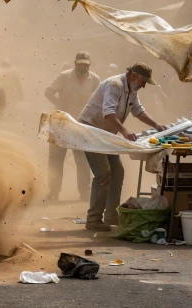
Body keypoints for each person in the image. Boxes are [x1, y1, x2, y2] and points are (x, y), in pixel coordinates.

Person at [78, 63, 167, 232]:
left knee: (117, 171)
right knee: (103, 173)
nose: (144, 85)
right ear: (133, 75)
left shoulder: (131, 90)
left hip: (107, 133)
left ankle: (111, 215)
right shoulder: (115, 85)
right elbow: (108, 113)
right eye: (143, 81)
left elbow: (138, 111)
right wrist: (125, 131)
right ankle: (93, 219)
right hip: (91, 131)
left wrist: (156, 125)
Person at [44, 52, 101, 202]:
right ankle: (54, 191)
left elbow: (100, 99)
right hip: (60, 122)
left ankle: (84, 193)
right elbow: (48, 91)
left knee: (83, 160)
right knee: (56, 158)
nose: (83, 67)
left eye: (86, 65)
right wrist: (58, 103)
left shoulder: (94, 79)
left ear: (89, 65)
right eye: (80, 64)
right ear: (75, 63)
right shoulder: (64, 76)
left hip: (82, 123)